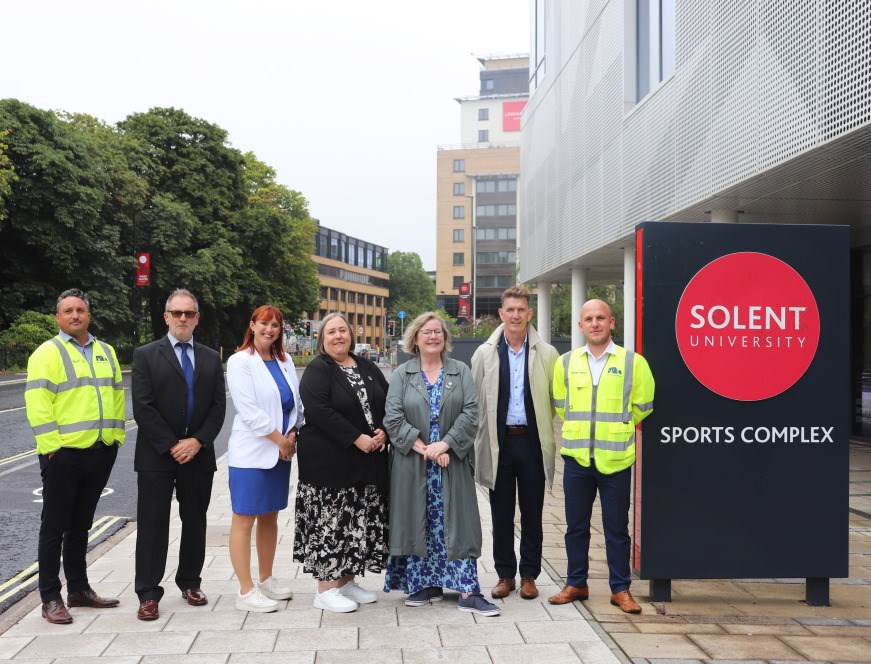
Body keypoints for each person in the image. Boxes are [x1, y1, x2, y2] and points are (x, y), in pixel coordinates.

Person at [383, 312, 500, 617]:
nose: (433, 336)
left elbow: (471, 413)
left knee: (457, 523)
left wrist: (445, 444)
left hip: (452, 462)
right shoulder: (401, 374)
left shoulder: (460, 372)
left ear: (445, 338)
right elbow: (393, 419)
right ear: (415, 339)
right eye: (426, 332)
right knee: (417, 521)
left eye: (438, 332)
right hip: (414, 463)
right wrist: (427, 450)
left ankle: (466, 590)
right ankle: (425, 584)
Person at [24, 289, 125, 624]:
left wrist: (116, 437)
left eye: (80, 310)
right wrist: (52, 448)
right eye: (67, 310)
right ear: (58, 317)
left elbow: (116, 395)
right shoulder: (46, 353)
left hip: (100, 451)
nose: (75, 315)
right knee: (54, 527)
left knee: (81, 524)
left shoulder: (106, 351)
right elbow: (38, 405)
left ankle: (79, 590)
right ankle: (50, 597)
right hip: (63, 455)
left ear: (89, 315)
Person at [548, 299, 654, 614]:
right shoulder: (565, 363)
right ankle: (576, 583)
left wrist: (616, 429)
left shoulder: (634, 363)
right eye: (588, 319)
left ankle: (620, 590)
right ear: (580, 325)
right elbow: (560, 405)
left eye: (600, 318)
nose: (594, 323)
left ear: (612, 322)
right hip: (577, 459)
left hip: (616, 460)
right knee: (575, 526)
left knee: (616, 528)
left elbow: (643, 406)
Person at [132, 288, 226, 621]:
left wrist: (197, 441)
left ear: (197, 318)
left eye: (189, 313)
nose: (183, 318)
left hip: (198, 454)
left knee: (195, 522)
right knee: (153, 525)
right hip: (157, 455)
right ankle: (147, 592)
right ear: (166, 317)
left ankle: (190, 582)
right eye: (177, 313)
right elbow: (142, 408)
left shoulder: (211, 358)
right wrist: (173, 444)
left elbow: (218, 408)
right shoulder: (145, 355)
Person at [293, 312, 389, 613]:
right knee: (331, 524)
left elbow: (388, 400)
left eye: (342, 331)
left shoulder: (366, 365)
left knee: (355, 523)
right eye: (331, 332)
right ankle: (324, 590)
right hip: (330, 464)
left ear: (351, 335)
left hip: (366, 463)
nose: (338, 336)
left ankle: (346, 582)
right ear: (323, 339)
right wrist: (356, 437)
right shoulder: (318, 369)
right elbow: (319, 410)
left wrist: (385, 430)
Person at [471, 286, 559, 600]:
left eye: (521, 310)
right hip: (500, 444)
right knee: (501, 512)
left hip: (532, 444)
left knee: (533, 513)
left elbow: (554, 400)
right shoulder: (484, 354)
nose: (516, 315)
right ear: (501, 314)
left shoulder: (547, 354)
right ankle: (505, 575)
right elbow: (475, 400)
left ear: (529, 314)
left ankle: (529, 576)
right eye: (510, 310)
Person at [226, 306, 303, 612]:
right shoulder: (240, 361)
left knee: (270, 516)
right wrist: (280, 440)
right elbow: (249, 411)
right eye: (264, 323)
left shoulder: (285, 360)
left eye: (275, 325)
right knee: (244, 519)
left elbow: (295, 404)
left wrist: (293, 433)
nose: (269, 329)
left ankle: (266, 579)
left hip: (280, 453)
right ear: (252, 325)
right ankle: (245, 591)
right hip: (251, 454)